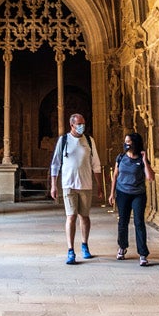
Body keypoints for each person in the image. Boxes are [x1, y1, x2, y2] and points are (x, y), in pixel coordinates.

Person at [49, 112, 102, 264]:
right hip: (69, 184)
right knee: (71, 216)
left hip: (85, 184)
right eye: (79, 124)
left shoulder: (89, 141)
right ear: (71, 125)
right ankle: (70, 250)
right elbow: (55, 163)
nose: (82, 126)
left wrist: (100, 185)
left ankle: (84, 245)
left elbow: (96, 165)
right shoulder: (64, 140)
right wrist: (54, 185)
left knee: (84, 216)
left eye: (83, 123)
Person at [106, 131, 155, 266]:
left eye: (128, 142)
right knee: (123, 221)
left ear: (134, 143)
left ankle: (143, 254)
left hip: (138, 194)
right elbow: (115, 175)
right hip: (122, 193)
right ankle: (122, 247)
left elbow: (150, 178)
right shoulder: (121, 157)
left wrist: (145, 160)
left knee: (139, 222)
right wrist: (112, 194)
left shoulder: (141, 159)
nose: (126, 144)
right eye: (125, 141)